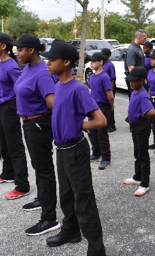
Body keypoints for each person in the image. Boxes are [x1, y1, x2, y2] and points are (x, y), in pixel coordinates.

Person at [41, 39, 107, 255]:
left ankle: (96, 249)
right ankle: (71, 231)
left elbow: (100, 120)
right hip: (61, 150)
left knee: (83, 200)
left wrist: (80, 124)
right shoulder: (56, 85)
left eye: (52, 60)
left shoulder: (78, 89)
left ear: (66, 62)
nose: (48, 63)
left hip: (75, 150)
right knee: (66, 196)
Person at [13, 34, 59, 236]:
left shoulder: (41, 72)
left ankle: (49, 219)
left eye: (20, 50)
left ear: (31, 50)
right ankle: (43, 198)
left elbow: (53, 103)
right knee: (38, 166)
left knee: (44, 169)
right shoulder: (29, 68)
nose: (17, 53)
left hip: (38, 123)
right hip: (29, 123)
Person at [0, 33, 30, 200]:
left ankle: (22, 185)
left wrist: (19, 109)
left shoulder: (11, 66)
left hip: (9, 108)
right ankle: (8, 173)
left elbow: (20, 88)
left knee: (15, 146)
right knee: (4, 143)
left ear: (3, 46)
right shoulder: (1, 64)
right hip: (0, 107)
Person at [123, 66, 155, 197]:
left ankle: (145, 183)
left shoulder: (142, 95)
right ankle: (137, 177)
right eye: (130, 80)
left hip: (141, 126)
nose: (131, 83)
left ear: (142, 80)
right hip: (135, 126)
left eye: (134, 81)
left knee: (142, 154)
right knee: (137, 152)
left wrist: (142, 115)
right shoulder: (134, 92)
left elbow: (152, 111)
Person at [88, 52, 114, 170]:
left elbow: (110, 95)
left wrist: (110, 106)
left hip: (102, 106)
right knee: (92, 132)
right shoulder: (92, 77)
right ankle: (96, 152)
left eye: (94, 61)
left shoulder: (104, 77)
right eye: (91, 61)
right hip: (92, 107)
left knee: (102, 133)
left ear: (101, 62)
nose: (92, 64)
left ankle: (106, 157)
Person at [124, 29, 147, 97]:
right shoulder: (132, 49)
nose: (145, 40)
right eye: (144, 38)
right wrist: (138, 80)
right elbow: (131, 67)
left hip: (139, 79)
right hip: (135, 80)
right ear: (139, 38)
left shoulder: (138, 48)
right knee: (135, 100)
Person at [101, 48, 116, 132]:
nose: (103, 56)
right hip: (103, 88)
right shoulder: (102, 64)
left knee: (110, 106)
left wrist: (111, 89)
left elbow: (113, 78)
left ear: (108, 55)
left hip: (109, 87)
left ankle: (111, 125)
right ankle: (106, 123)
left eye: (104, 54)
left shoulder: (110, 65)